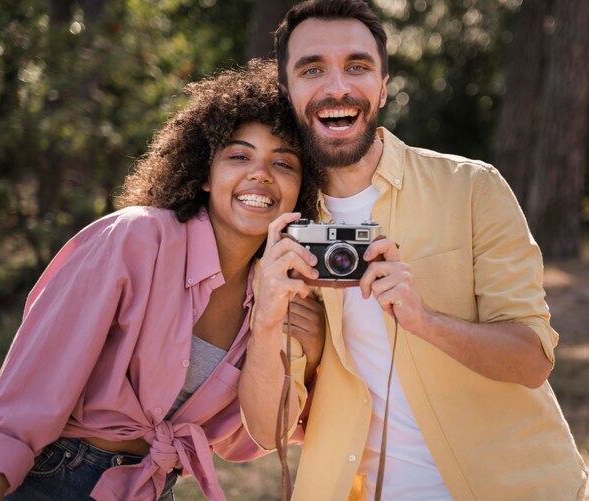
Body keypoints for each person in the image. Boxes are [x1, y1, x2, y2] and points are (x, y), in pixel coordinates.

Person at [239, 1, 589, 500]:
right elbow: (264, 427)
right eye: (312, 69)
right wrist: (267, 318)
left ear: (382, 85)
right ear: (286, 91)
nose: (337, 87)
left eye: (357, 66)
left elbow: (533, 360)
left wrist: (424, 320)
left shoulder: (471, 188)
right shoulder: (281, 225)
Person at [0, 59, 325, 501]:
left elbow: (257, 436)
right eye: (238, 155)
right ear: (205, 173)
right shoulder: (135, 239)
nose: (261, 174)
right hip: (52, 477)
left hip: (149, 487)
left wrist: (291, 337)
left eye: (284, 163)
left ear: (301, 187)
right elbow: (31, 389)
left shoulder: (279, 291)